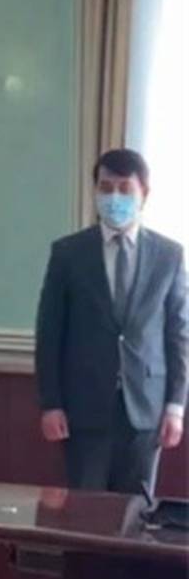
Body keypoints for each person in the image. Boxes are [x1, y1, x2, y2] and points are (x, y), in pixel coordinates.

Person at [35, 148, 188, 496]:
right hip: (83, 409)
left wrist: (175, 407)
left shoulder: (169, 256)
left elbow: (178, 335)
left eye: (124, 188)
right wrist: (50, 403)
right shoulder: (68, 253)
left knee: (136, 512)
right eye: (106, 188)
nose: (114, 197)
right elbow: (49, 334)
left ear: (143, 194)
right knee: (85, 511)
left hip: (146, 410)